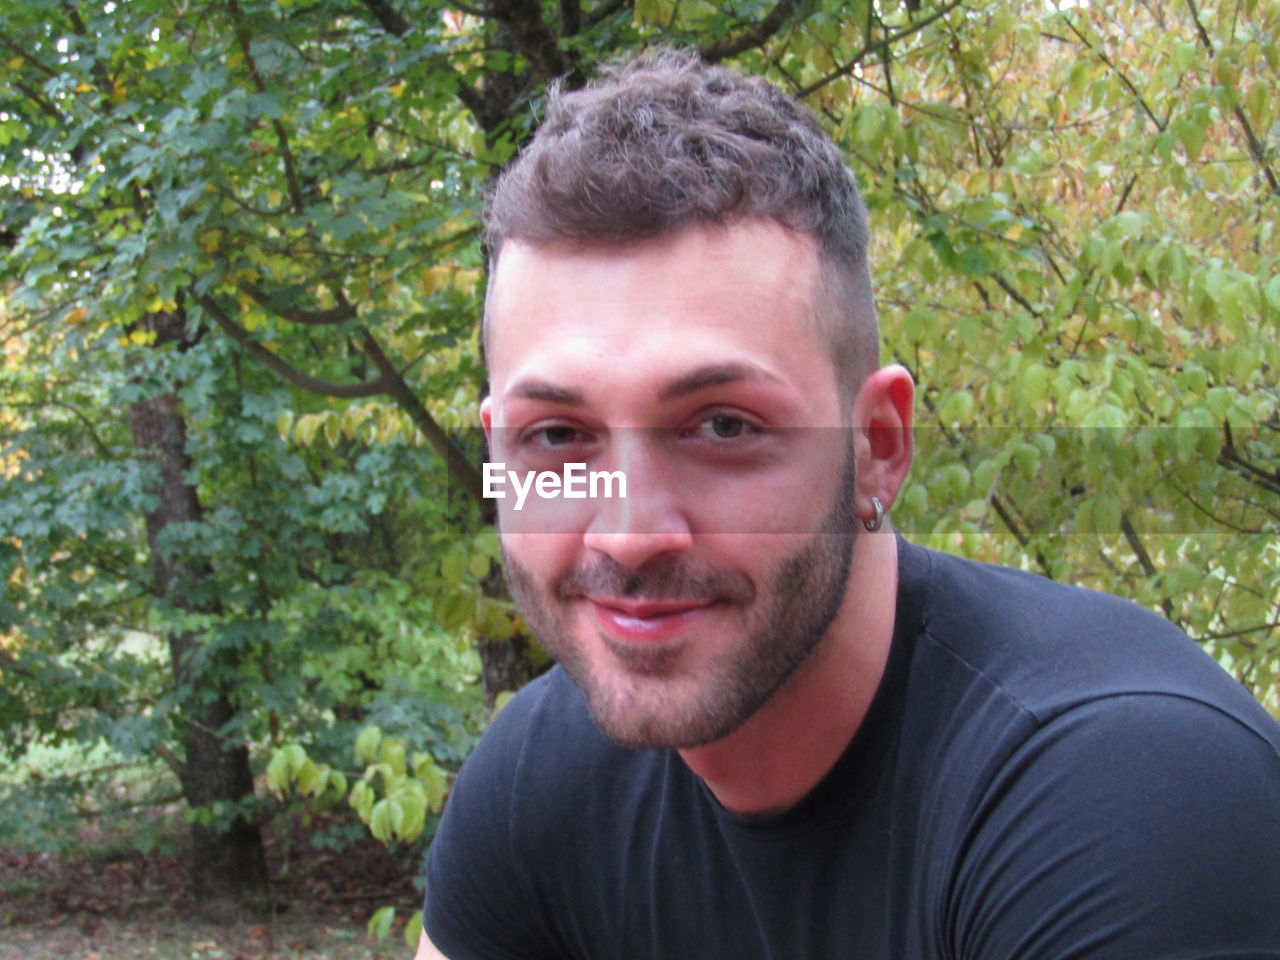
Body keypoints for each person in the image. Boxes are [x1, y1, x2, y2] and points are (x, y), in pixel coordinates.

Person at [416, 49, 1280, 959]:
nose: (630, 534)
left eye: (721, 426)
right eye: (556, 436)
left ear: (877, 447)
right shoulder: (538, 787)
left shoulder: (1122, 792)